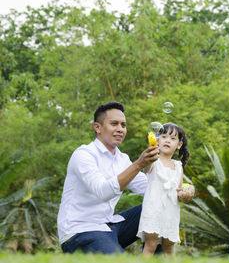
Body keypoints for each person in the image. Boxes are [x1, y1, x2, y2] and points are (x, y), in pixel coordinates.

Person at [57, 101, 194, 254]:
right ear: (98, 127)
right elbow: (103, 192)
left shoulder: (122, 159)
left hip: (110, 225)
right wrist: (138, 165)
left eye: (123, 125)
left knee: (159, 206)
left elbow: (153, 188)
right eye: (114, 124)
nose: (120, 129)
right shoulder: (83, 155)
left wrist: (183, 192)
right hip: (81, 231)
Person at [137, 123, 192, 256]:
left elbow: (179, 191)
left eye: (173, 138)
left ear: (179, 145)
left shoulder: (179, 166)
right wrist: (151, 149)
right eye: (164, 136)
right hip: (153, 209)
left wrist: (185, 194)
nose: (167, 140)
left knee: (169, 248)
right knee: (151, 244)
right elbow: (146, 167)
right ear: (157, 140)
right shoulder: (152, 160)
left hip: (171, 211)